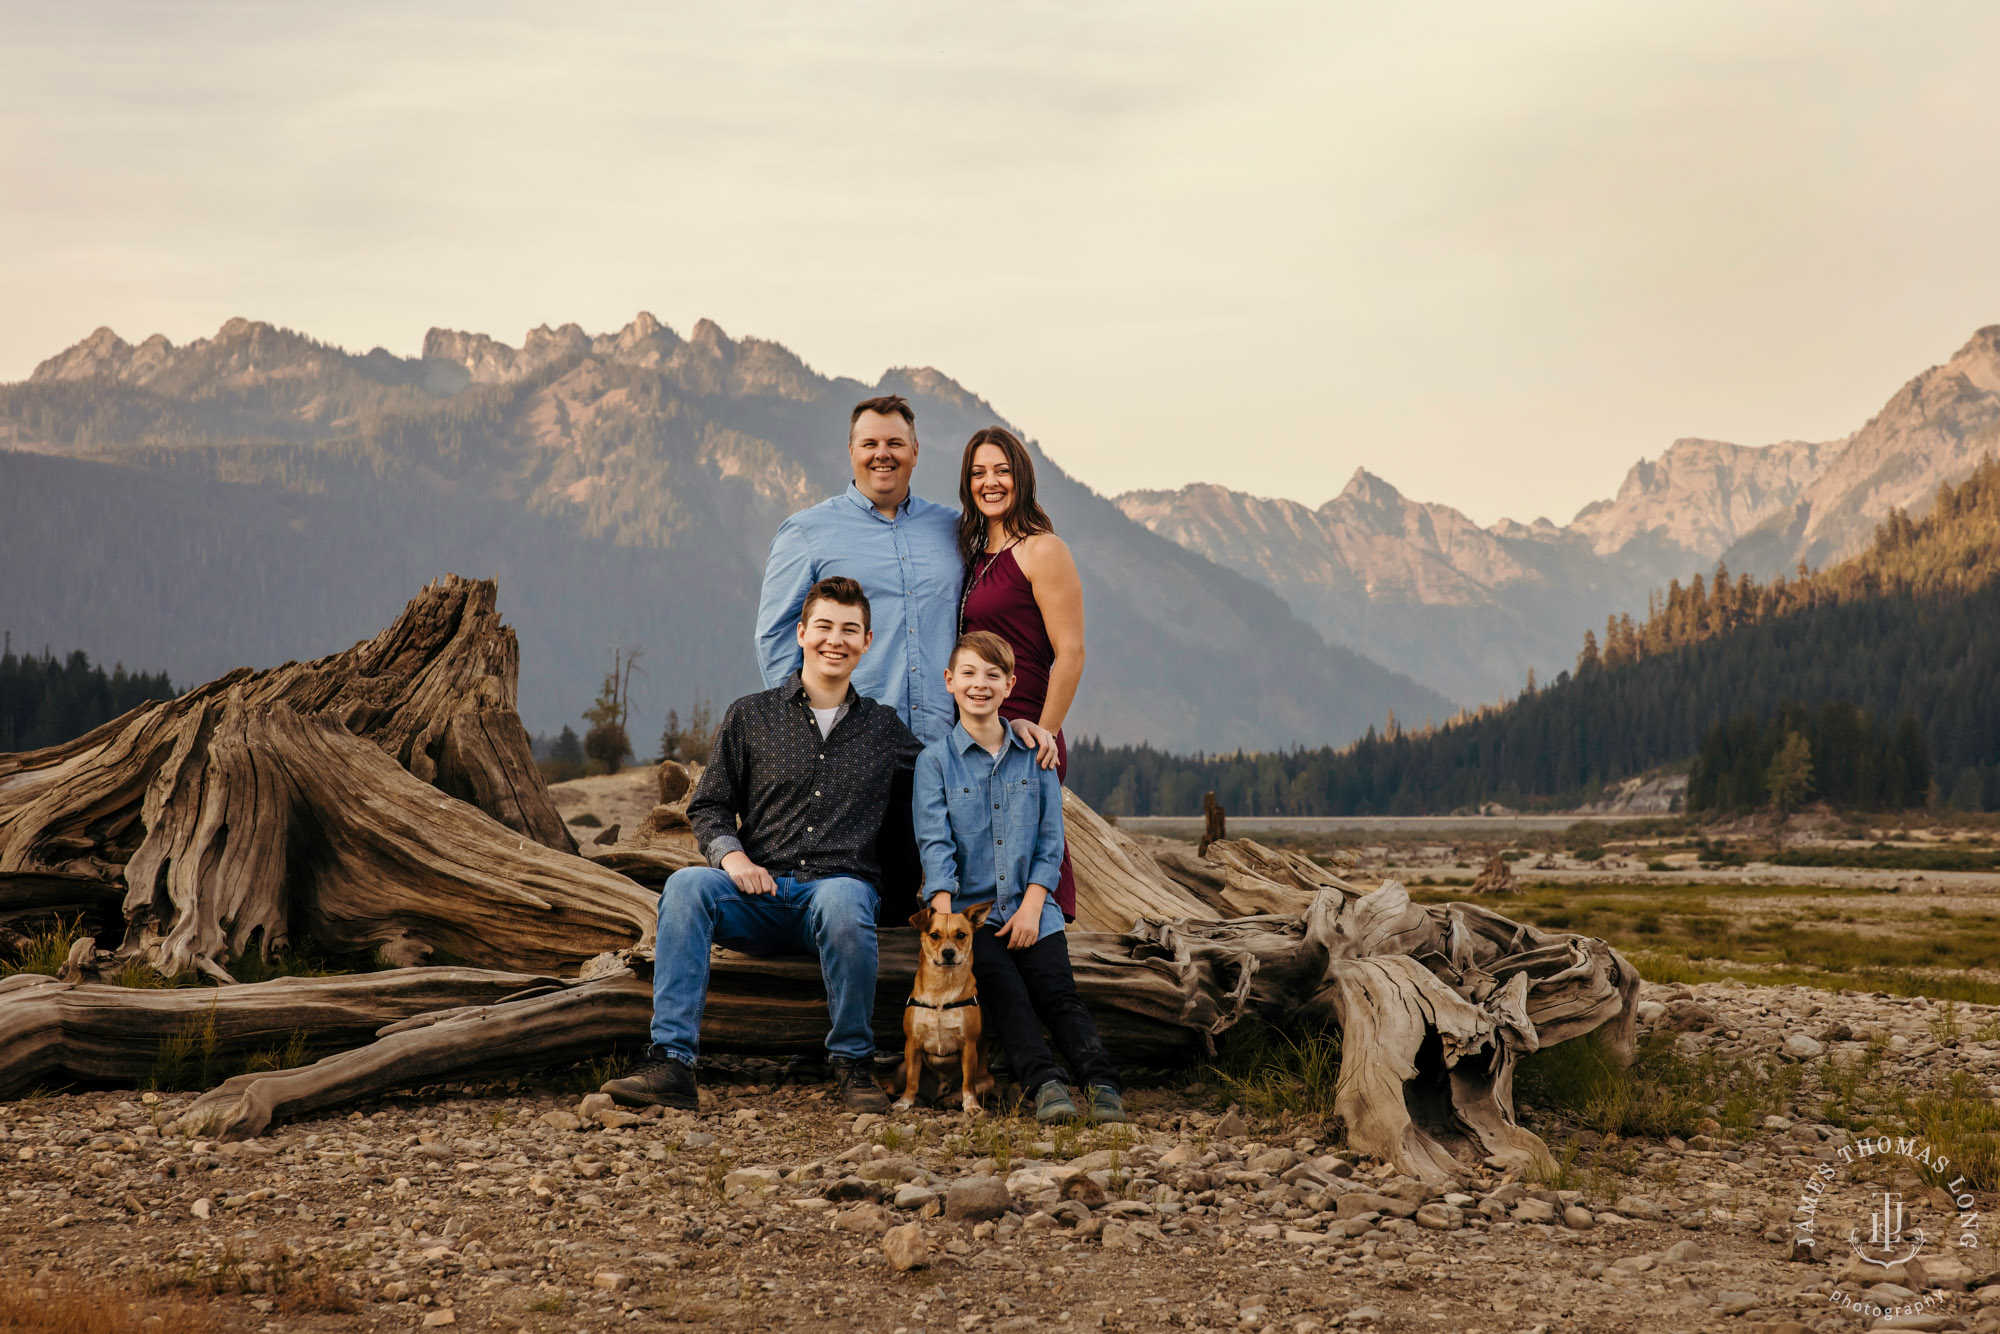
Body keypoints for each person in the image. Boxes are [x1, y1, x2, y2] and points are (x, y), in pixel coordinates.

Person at [601, 576, 918, 1112]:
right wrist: (733, 857)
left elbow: (946, 778)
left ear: (867, 642)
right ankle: (671, 1064)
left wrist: (1018, 731)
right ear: (800, 633)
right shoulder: (752, 716)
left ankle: (853, 1065)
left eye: (849, 630)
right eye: (823, 627)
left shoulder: (885, 730)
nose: (834, 640)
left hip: (839, 898)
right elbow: (709, 805)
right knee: (685, 885)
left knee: (843, 900)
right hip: (759, 896)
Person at [756, 395, 1058, 761]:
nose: (882, 453)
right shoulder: (806, 533)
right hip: (853, 750)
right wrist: (809, 730)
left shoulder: (952, 529)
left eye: (895, 443)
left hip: (948, 752)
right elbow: (775, 638)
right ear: (851, 450)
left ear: (915, 452)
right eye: (870, 444)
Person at [912, 630, 1124, 1125]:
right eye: (968, 673)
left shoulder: (1036, 752)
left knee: (1057, 993)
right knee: (1004, 993)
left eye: (992, 675)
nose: (978, 685)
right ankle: (1044, 1083)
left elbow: (1052, 843)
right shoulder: (934, 763)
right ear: (949, 681)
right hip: (973, 917)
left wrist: (1032, 907)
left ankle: (1102, 1083)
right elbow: (935, 845)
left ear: (1011, 684)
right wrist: (945, 917)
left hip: (1035, 910)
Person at [955, 425, 1086, 919]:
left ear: (1022, 478)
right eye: (978, 472)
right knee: (988, 877)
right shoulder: (973, 555)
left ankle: (1047, 973)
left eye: (1002, 471)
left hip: (1027, 729)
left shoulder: (1042, 550)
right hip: (977, 729)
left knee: (1032, 866)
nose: (990, 482)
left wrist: (1046, 736)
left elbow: (1071, 653)